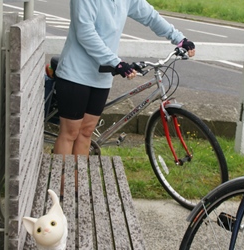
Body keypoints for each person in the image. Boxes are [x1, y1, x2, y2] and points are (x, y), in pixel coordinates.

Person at [54, 0, 196, 162]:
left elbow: (150, 16)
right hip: (76, 72)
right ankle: (62, 186)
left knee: (86, 132)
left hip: (102, 76)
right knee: (70, 133)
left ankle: (79, 186)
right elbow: (85, 32)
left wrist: (179, 38)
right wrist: (116, 62)